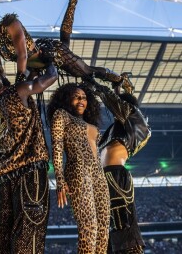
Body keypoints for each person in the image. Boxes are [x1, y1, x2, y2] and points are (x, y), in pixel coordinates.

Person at [0, 0, 133, 91]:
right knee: (27, 93)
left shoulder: (11, 24)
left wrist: (19, 80)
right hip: (34, 67)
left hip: (51, 54)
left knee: (86, 72)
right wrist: (4, 83)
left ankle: (120, 79)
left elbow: (22, 55)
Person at [0, 63, 57, 253]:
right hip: (30, 168)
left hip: (6, 175)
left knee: (4, 233)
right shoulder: (16, 91)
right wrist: (51, 61)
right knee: (29, 229)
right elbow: (50, 79)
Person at [86, 78, 151, 254]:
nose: (115, 112)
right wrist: (117, 89)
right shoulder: (116, 128)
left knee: (122, 221)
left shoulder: (140, 125)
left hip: (116, 176)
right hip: (102, 178)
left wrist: (99, 88)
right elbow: (117, 106)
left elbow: (119, 106)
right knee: (103, 226)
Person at [47, 83, 110, 254]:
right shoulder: (62, 115)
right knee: (89, 227)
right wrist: (59, 180)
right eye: (76, 96)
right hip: (78, 172)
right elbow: (57, 147)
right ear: (67, 98)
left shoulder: (90, 122)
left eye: (84, 97)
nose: (81, 100)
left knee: (104, 229)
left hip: (99, 174)